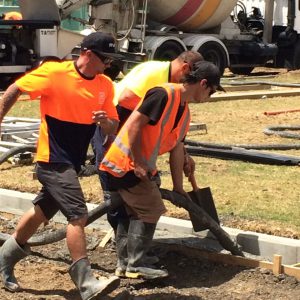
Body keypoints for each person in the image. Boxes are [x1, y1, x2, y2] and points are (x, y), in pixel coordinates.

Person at [0, 32, 122, 300]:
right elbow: (16, 88)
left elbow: (114, 125)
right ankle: (86, 281)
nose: (108, 64)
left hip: (72, 162)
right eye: (105, 58)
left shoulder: (105, 85)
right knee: (77, 215)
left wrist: (105, 123)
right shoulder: (55, 73)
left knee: (41, 212)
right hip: (51, 159)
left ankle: (3, 258)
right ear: (88, 53)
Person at [100, 60, 224, 280]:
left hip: (137, 166)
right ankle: (135, 264)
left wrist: (178, 187)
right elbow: (135, 125)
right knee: (151, 208)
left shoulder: (184, 112)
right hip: (125, 164)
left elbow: (177, 149)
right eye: (212, 92)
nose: (210, 98)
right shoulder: (163, 94)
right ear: (203, 83)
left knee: (132, 213)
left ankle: (126, 262)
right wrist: (138, 162)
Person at [94, 51, 203, 233]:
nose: (190, 81)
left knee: (144, 194)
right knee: (118, 195)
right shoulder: (154, 74)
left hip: (135, 141)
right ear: (185, 68)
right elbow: (125, 100)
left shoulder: (175, 92)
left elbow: (168, 128)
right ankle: (125, 248)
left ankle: (133, 245)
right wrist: (152, 107)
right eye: (191, 75)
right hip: (112, 131)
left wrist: (183, 154)